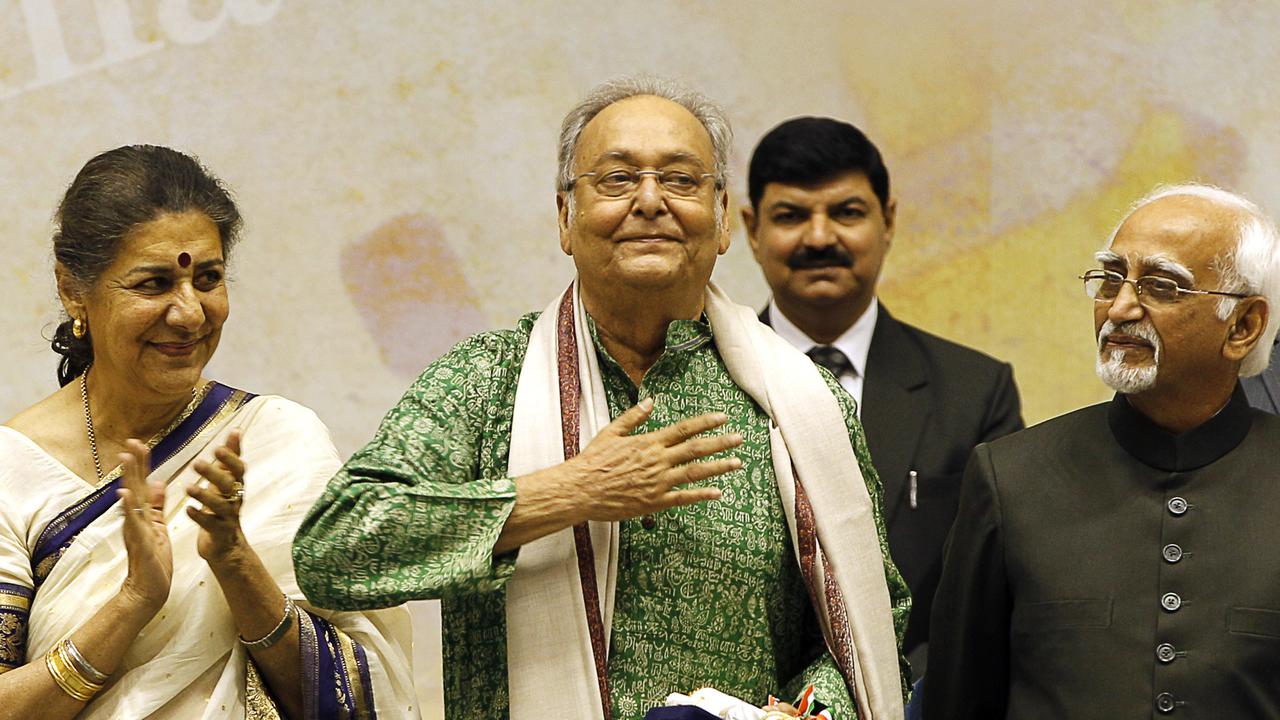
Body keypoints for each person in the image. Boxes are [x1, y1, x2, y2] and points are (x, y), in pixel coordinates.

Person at [294, 77, 911, 719]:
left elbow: (870, 625)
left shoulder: (802, 401)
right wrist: (567, 493)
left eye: (681, 179)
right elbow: (333, 552)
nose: (650, 201)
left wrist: (803, 716)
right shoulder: (485, 380)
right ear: (565, 217)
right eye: (616, 179)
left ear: (724, 219)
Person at [0, 145, 418, 719]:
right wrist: (134, 602)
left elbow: (357, 696)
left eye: (208, 278)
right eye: (153, 284)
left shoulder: (278, 440)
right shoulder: (11, 471)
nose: (190, 313)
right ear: (74, 290)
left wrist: (233, 560)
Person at [925, 183, 1280, 718]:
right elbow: (957, 703)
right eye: (1110, 279)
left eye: (1162, 286)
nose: (1120, 307)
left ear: (1244, 326)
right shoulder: (1010, 479)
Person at [742, 117, 1023, 672]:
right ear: (751, 229)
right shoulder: (697, 384)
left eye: (846, 213)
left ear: (888, 219)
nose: (819, 238)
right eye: (791, 216)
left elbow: (995, 583)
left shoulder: (975, 392)